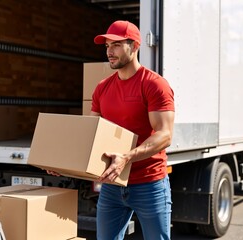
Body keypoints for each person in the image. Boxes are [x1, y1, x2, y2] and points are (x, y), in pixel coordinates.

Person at [91, 20, 175, 240]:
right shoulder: (102, 88)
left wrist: (126, 157)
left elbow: (164, 135)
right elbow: (92, 134)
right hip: (112, 185)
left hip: (150, 183)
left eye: (116, 45)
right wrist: (64, 162)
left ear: (135, 46)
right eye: (107, 46)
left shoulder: (154, 85)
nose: (109, 51)